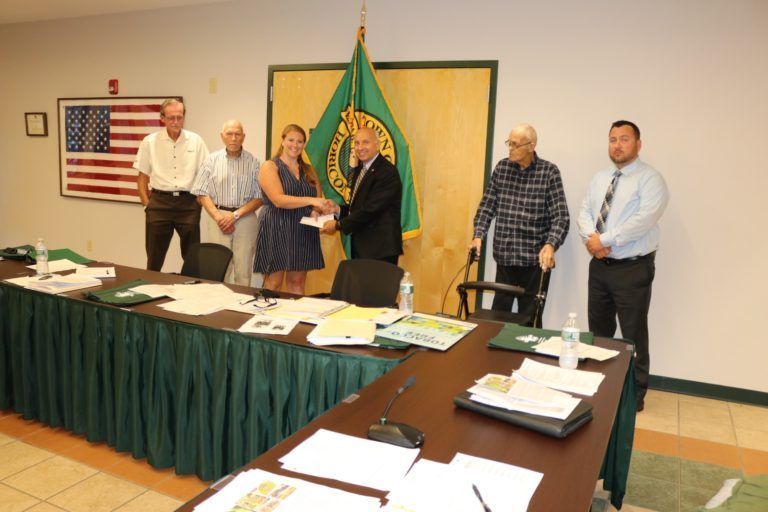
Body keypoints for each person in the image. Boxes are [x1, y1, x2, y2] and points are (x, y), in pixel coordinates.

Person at [578, 120, 669, 412]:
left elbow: (642, 221)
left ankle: (634, 396)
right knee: (599, 332)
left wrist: (603, 239)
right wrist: (592, 240)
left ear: (638, 145)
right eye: (613, 139)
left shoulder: (651, 179)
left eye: (624, 139)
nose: (617, 145)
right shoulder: (599, 177)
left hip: (633, 269)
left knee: (633, 335)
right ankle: (601, 388)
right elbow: (584, 211)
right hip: (600, 267)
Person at [470, 124, 570, 326]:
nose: (510, 149)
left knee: (530, 321)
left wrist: (550, 245)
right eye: (509, 143)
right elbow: (487, 206)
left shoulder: (548, 172)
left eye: (515, 145)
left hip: (534, 262)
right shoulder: (502, 168)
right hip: (505, 258)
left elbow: (561, 217)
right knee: (497, 318)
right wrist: (478, 235)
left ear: (531, 146)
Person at [134, 98, 209, 271]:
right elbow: (142, 177)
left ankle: (192, 291)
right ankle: (151, 288)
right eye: (171, 118)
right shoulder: (150, 142)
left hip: (188, 204)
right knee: (154, 256)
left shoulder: (196, 141)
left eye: (179, 117)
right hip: (159, 203)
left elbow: (207, 173)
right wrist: (147, 205)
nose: (176, 122)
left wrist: (199, 199)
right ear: (162, 118)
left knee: (192, 256)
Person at [253, 124, 327, 294]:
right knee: (273, 284)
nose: (295, 145)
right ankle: (270, 319)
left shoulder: (309, 170)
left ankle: (296, 319)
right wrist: (312, 200)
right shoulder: (270, 167)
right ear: (283, 141)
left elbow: (318, 202)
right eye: (291, 140)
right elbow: (278, 200)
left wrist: (316, 210)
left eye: (300, 141)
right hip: (277, 226)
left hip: (303, 229)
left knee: (298, 283)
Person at [191, 120, 262, 285]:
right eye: (229, 134)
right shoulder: (211, 160)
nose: (234, 138)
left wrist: (235, 215)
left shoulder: (254, 162)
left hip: (245, 218)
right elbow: (201, 192)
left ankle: (241, 307)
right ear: (222, 136)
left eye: (238, 134)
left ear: (243, 137)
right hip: (217, 218)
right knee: (218, 269)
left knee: (243, 271)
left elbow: (259, 197)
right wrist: (219, 217)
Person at [321, 127, 403, 264]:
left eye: (365, 142)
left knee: (377, 286)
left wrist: (338, 225)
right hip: (363, 247)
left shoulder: (387, 172)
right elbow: (359, 207)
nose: (360, 147)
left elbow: (371, 210)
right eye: (357, 143)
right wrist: (338, 210)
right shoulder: (361, 169)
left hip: (379, 250)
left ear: (377, 144)